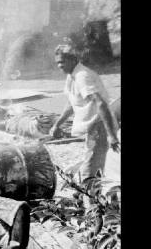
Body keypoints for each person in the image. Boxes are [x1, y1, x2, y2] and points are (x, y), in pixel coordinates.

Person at [49, 44, 120, 193]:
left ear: (73, 59)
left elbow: (101, 104)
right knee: (93, 168)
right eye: (57, 63)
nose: (59, 66)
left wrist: (112, 135)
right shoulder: (72, 76)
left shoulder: (83, 76)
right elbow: (72, 103)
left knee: (90, 174)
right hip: (92, 128)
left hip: (99, 126)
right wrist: (57, 124)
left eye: (62, 62)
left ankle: (93, 209)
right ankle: (96, 204)